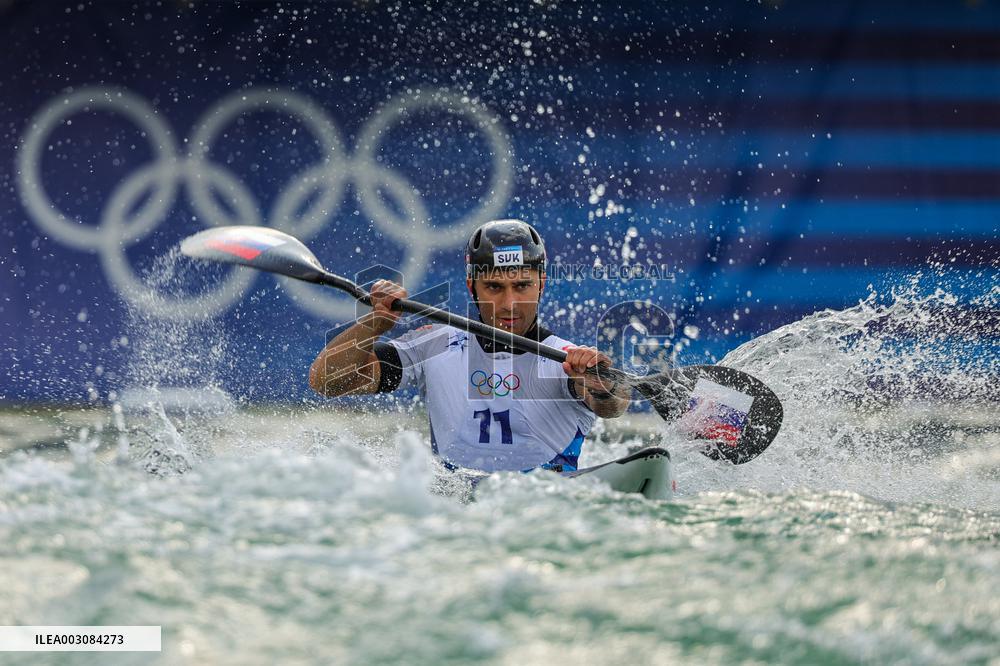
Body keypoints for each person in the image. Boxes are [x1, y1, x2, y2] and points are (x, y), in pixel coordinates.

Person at [308, 219, 630, 472]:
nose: (509, 304)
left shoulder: (567, 361)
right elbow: (325, 381)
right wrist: (375, 324)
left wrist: (600, 383)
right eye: (494, 286)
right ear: (471, 286)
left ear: (541, 283)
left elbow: (615, 404)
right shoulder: (433, 345)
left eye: (522, 286)